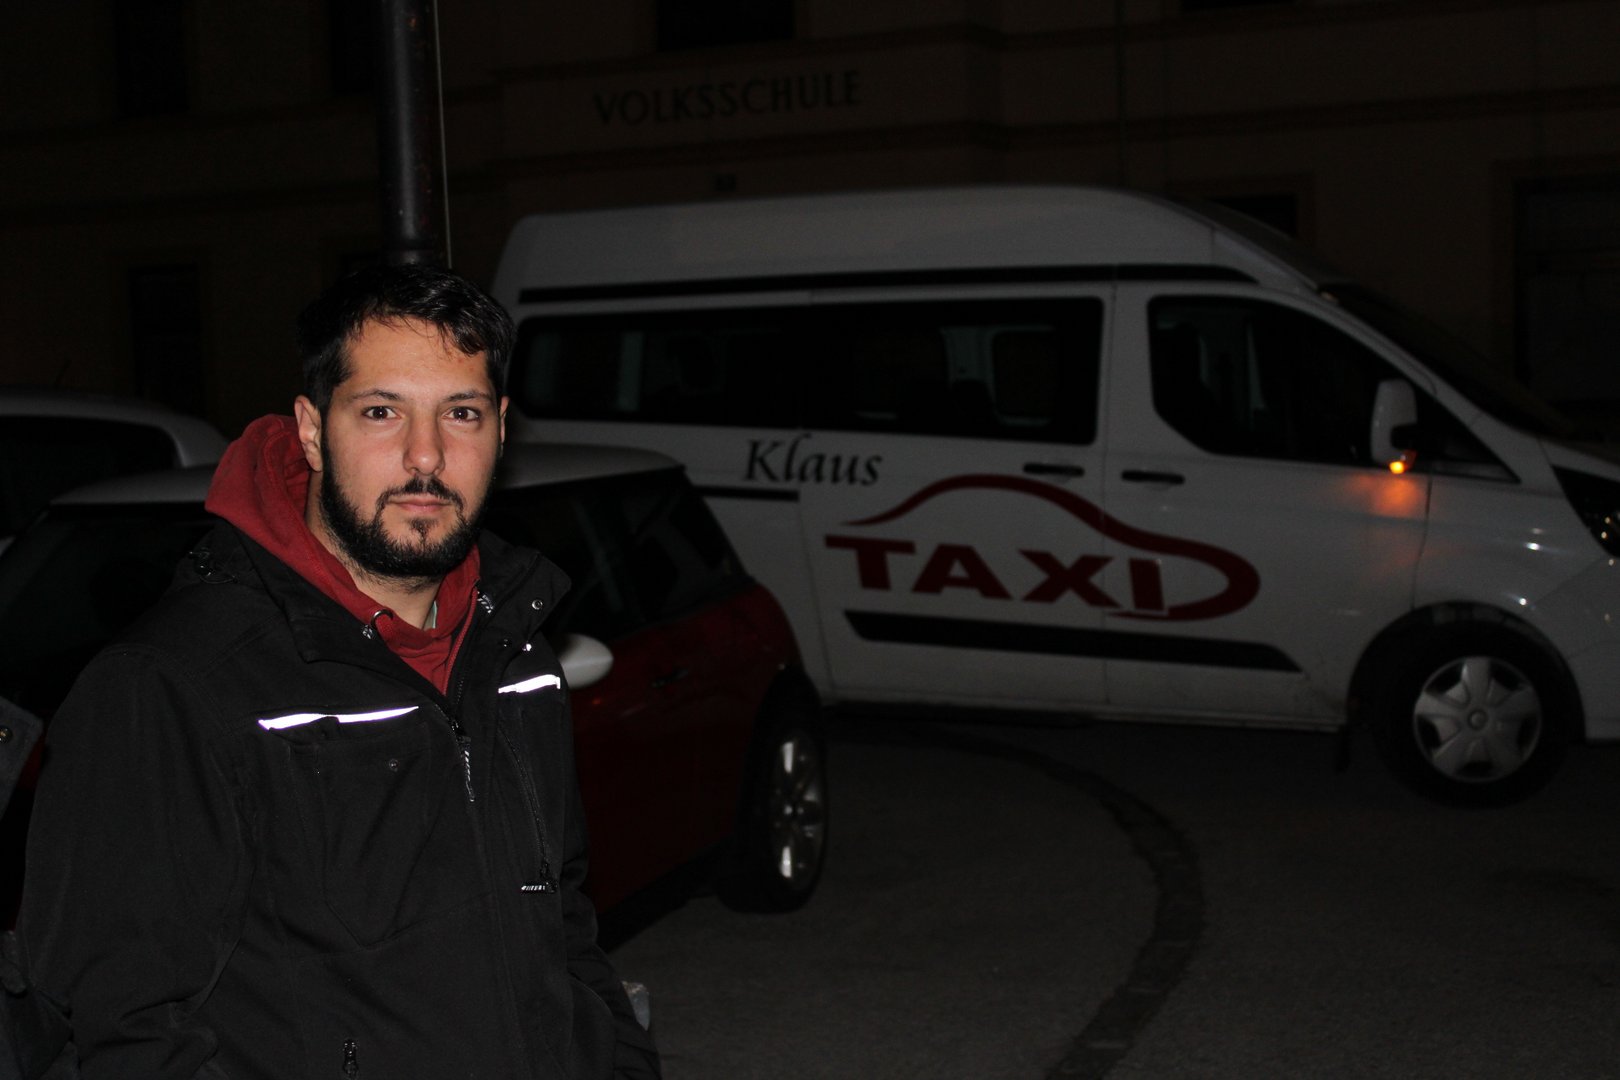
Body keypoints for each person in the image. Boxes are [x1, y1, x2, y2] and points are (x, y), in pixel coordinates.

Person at [17, 264, 662, 1079]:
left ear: (502, 429)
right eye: (382, 411)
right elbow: (126, 1028)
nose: (426, 455)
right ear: (313, 430)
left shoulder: (515, 647)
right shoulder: (173, 685)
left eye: (460, 413)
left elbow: (560, 921)